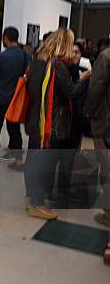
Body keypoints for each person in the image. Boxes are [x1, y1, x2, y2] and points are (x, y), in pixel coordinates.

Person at [23, 29, 90, 219]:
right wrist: (82, 79)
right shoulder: (57, 65)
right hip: (50, 123)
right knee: (43, 164)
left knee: (33, 160)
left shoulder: (37, 61)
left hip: (36, 118)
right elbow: (72, 92)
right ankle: (37, 203)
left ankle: (31, 198)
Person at [0, 27, 30, 171]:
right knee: (14, 129)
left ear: (5, 38)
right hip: (16, 99)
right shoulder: (26, 56)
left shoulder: (0, 57)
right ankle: (19, 160)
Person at [85, 46, 110, 228]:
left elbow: (96, 88)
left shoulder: (106, 57)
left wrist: (89, 112)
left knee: (106, 166)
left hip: (105, 121)